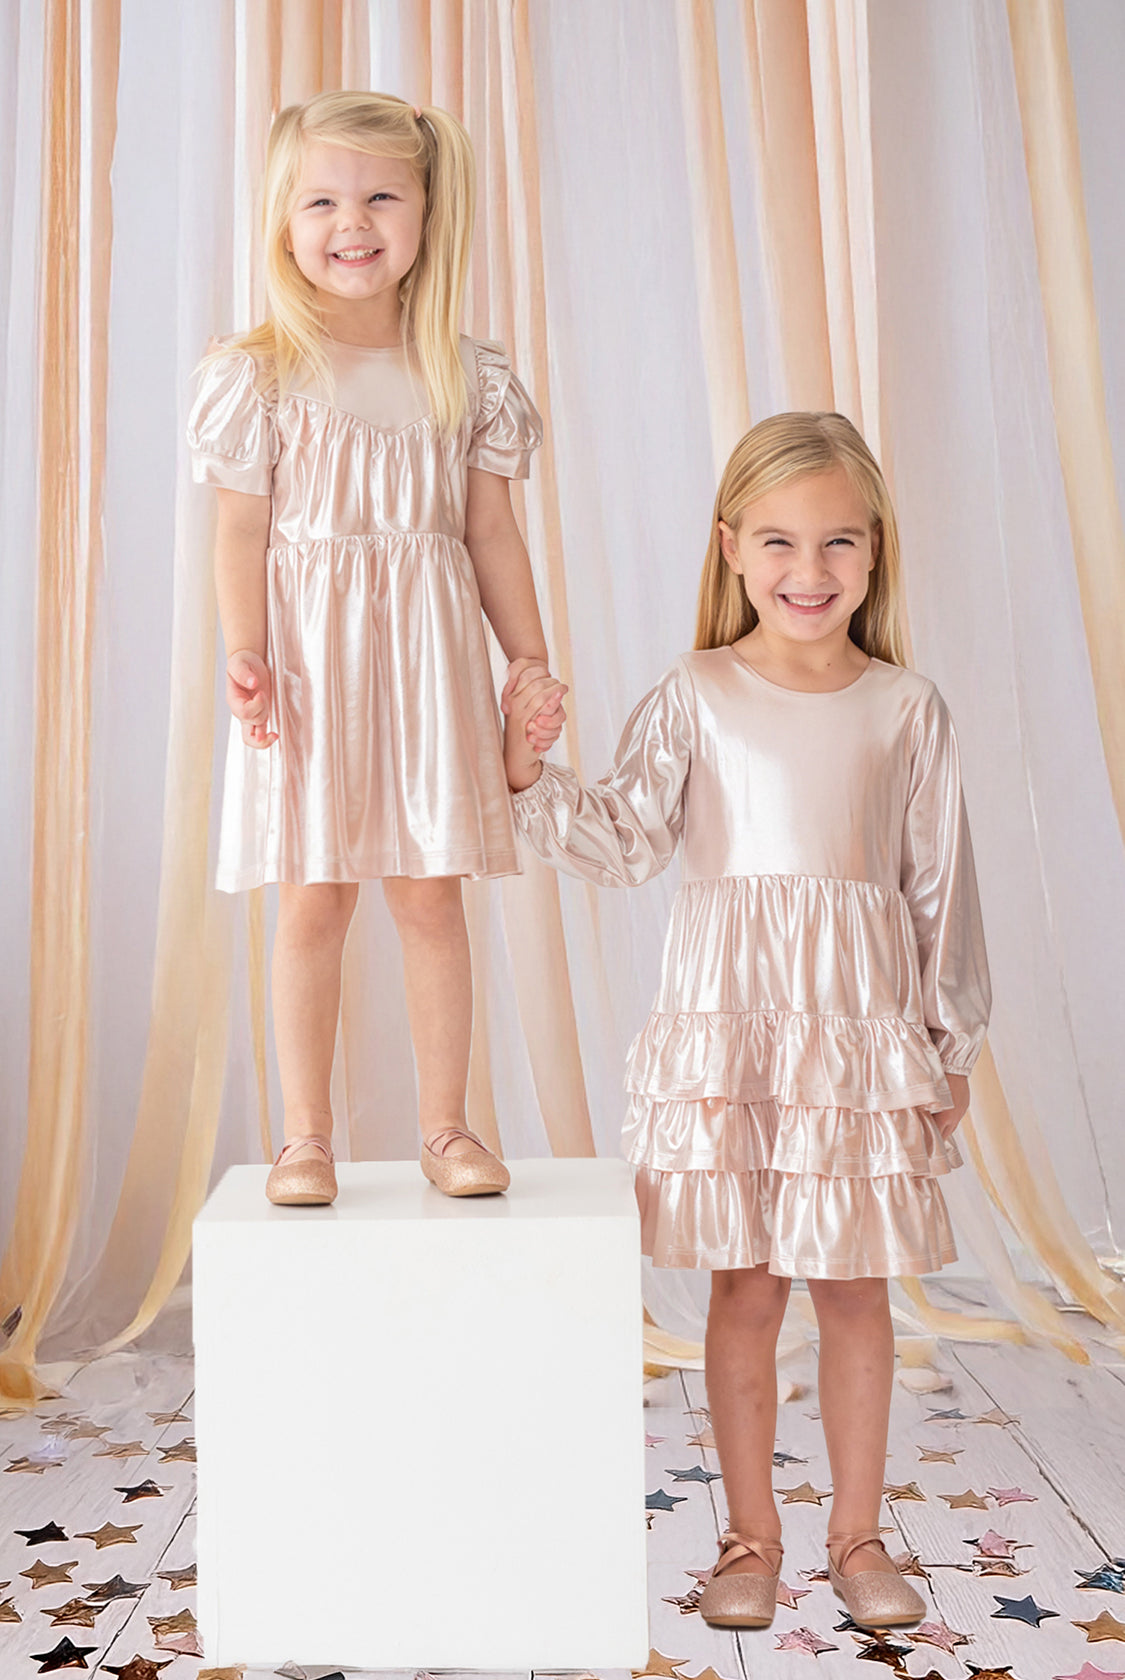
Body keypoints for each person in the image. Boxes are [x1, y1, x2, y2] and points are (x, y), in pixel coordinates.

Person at [503, 412, 990, 1631]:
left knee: (855, 1290)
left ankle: (859, 1534)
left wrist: (949, 1044)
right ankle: (750, 1537)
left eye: (837, 543)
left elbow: (941, 890)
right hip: (734, 1037)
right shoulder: (698, 693)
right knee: (749, 1287)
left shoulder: (906, 708)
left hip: (856, 1045)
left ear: (875, 551)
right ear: (730, 547)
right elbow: (625, 839)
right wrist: (525, 776)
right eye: (778, 541)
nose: (808, 571)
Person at [188, 91, 563, 1208]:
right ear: (283, 220)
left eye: (381, 197)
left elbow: (490, 533)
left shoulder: (462, 373)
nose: (352, 223)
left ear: (426, 212)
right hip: (310, 674)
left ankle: (447, 1127)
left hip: (429, 668)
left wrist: (526, 661)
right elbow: (240, 533)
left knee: (430, 898)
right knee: (313, 900)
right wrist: (246, 653)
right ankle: (305, 1139)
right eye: (322, 202)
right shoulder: (260, 374)